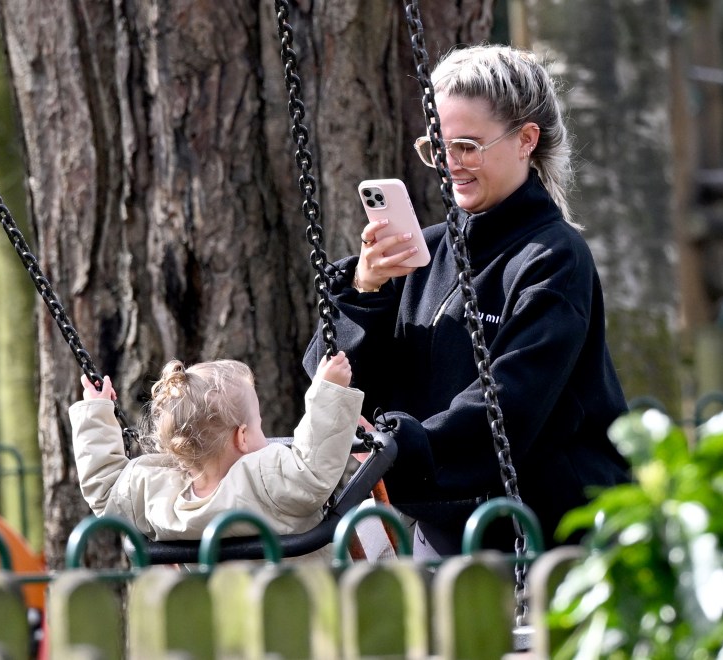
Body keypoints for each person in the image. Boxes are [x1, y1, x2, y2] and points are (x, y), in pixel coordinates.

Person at [303, 44, 631, 559]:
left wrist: (399, 445)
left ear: (526, 140)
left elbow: (508, 405)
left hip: (546, 533)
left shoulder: (554, 258)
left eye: (466, 146)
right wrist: (363, 292)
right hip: (444, 526)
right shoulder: (424, 250)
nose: (450, 165)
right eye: (437, 147)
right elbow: (331, 379)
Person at [69, 351, 363, 561]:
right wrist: (329, 390)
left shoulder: (158, 496)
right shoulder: (268, 481)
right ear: (242, 437)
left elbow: (106, 491)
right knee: (373, 519)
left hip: (226, 634)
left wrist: (96, 411)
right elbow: (313, 467)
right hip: (315, 621)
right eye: (258, 424)